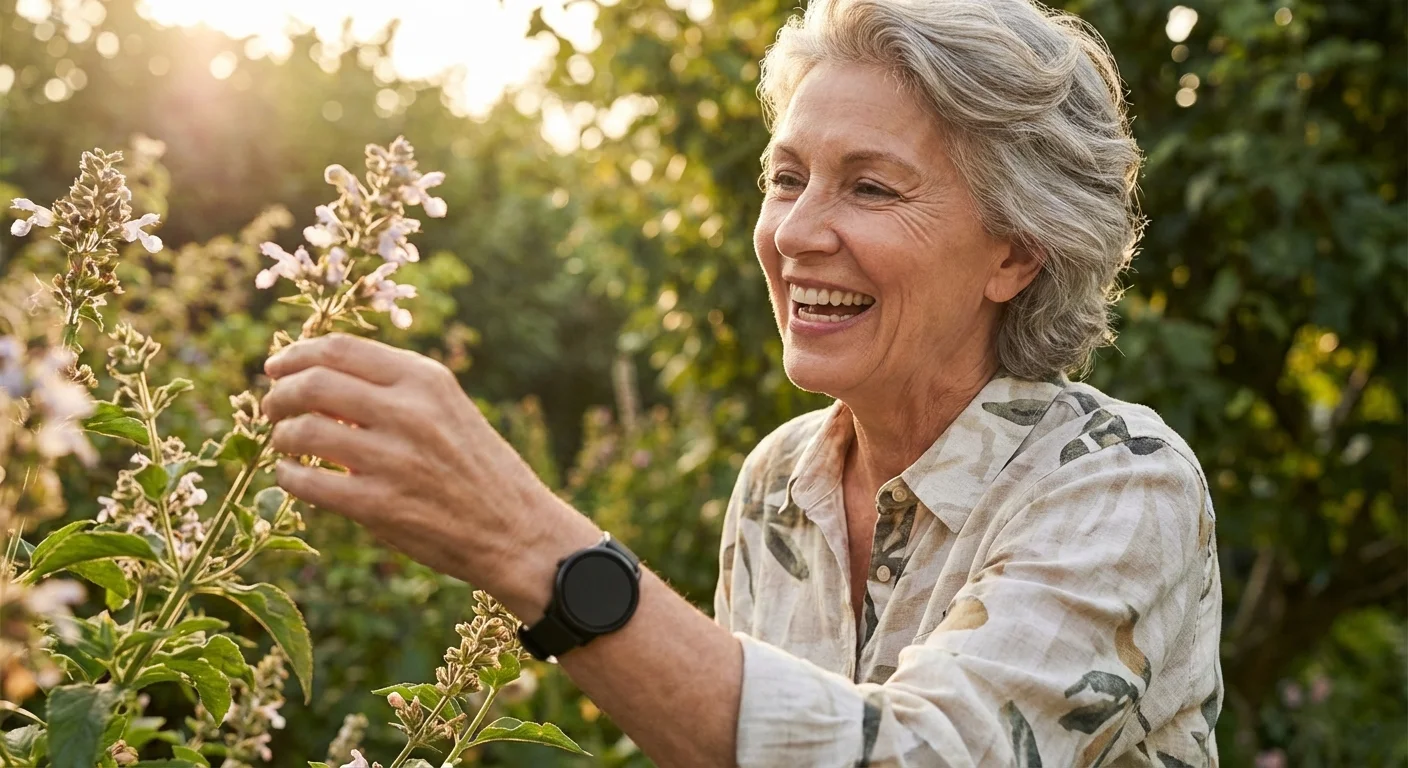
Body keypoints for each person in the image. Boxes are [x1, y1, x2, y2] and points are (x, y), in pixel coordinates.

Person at [258, 0, 1224, 764]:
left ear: (1015, 255)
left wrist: (525, 541)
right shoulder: (779, 483)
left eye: (872, 187)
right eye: (786, 176)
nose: (798, 233)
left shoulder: (1118, 484)